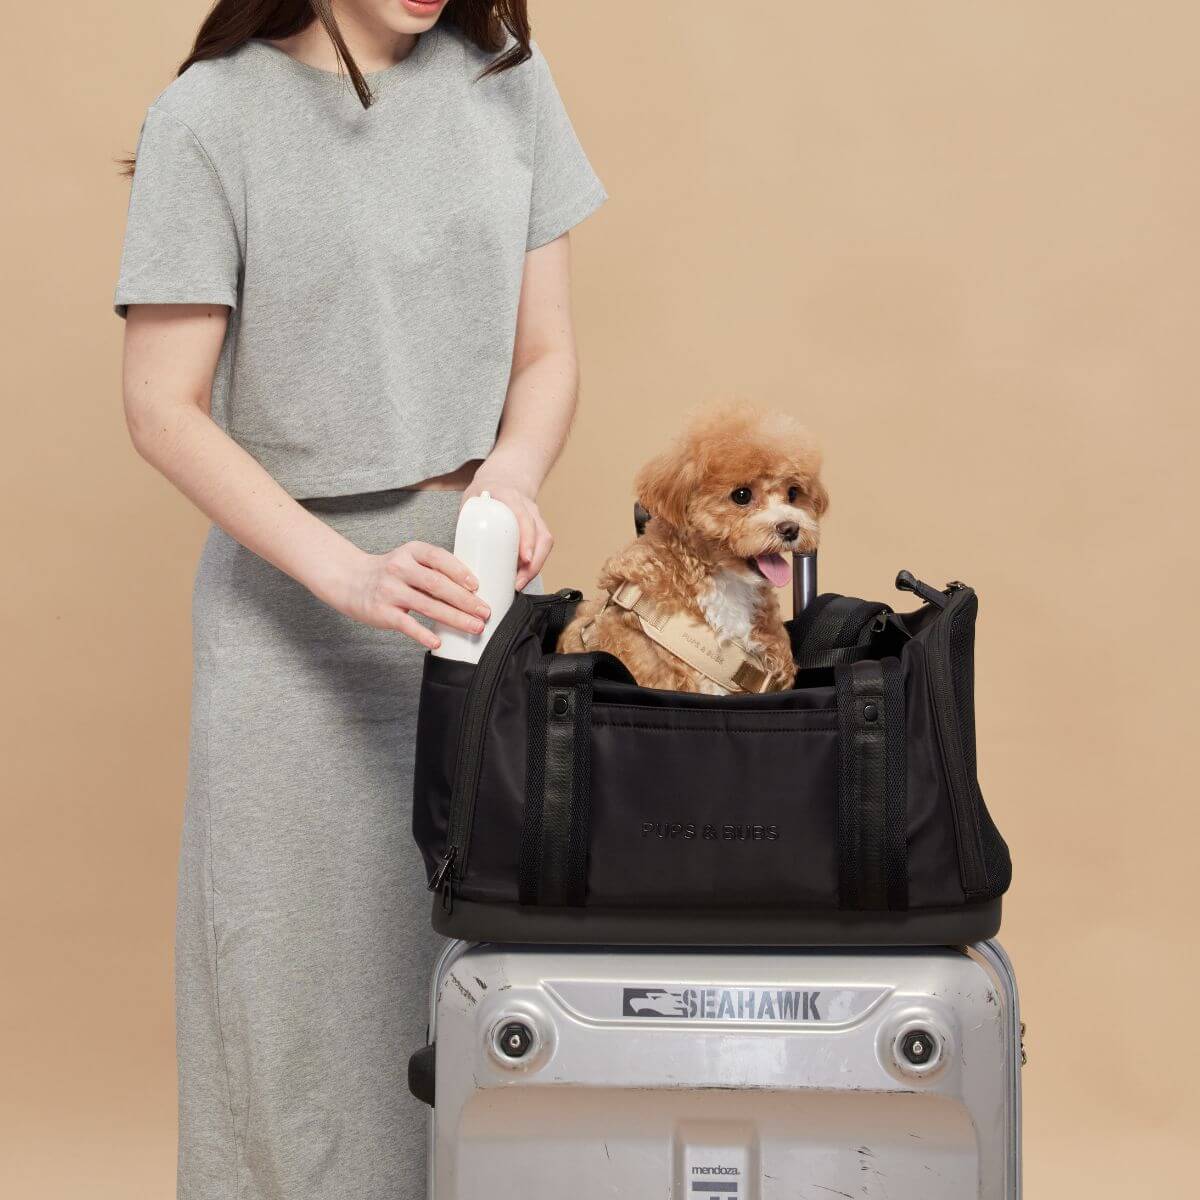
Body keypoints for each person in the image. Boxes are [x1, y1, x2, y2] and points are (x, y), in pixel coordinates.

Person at [114, 1, 605, 1195]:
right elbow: (160, 406)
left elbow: (545, 355)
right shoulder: (209, 116)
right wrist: (344, 573)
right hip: (293, 622)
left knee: (478, 1007)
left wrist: (511, 476)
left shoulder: (508, 83)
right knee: (293, 1033)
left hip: (470, 606)